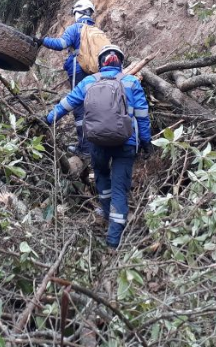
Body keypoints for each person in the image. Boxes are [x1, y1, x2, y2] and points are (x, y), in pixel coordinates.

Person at [46, 44, 151, 249]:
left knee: (102, 175)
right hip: (125, 143)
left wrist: (47, 119)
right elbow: (142, 116)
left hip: (96, 143)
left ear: (100, 62)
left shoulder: (88, 82)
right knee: (120, 188)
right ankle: (113, 241)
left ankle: (104, 210)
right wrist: (146, 142)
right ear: (120, 62)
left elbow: (66, 104)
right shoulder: (131, 82)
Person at [35, 0, 98, 154]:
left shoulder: (75, 29)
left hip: (79, 71)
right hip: (96, 73)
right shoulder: (97, 31)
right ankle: (96, 144)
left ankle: (85, 149)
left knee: (79, 108)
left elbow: (61, 45)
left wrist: (42, 41)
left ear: (78, 13)